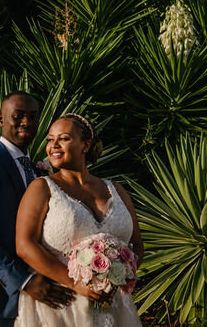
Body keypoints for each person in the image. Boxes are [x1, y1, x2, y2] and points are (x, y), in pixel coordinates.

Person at [0, 92, 75, 326]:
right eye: (18, 116)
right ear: (1, 119)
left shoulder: (36, 169)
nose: (26, 122)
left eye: (33, 117)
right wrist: (24, 281)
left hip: (38, 297)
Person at [15, 113, 143, 326]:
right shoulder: (41, 188)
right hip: (61, 305)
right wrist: (74, 283)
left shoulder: (116, 189)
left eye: (63, 138)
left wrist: (121, 274)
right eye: (50, 139)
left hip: (114, 303)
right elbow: (24, 245)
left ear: (86, 144)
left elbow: (137, 243)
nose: (53, 145)